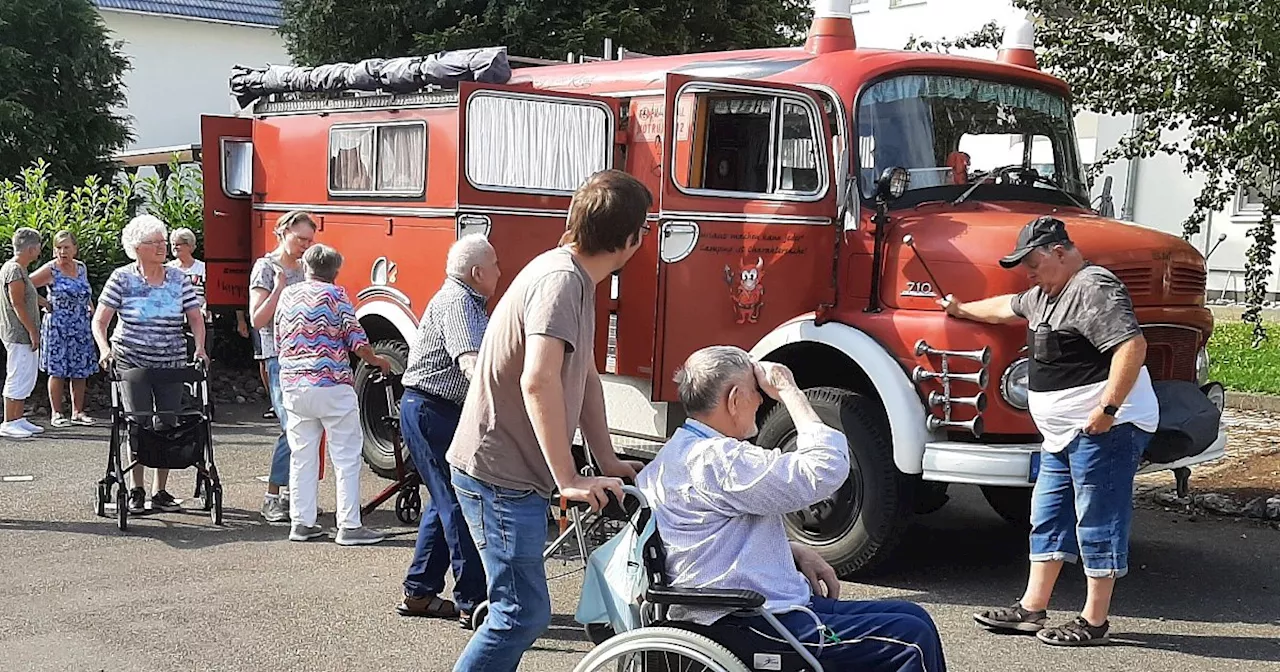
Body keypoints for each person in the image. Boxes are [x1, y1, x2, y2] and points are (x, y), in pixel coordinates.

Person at [446, 170, 651, 672]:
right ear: (630, 240)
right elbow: (537, 380)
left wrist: (605, 459)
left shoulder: (572, 274)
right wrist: (569, 478)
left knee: (519, 611)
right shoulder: (562, 282)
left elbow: (584, 375)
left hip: (507, 470)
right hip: (499, 473)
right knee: (522, 613)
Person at [635, 346, 948, 671]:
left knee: (914, 616)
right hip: (749, 623)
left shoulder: (676, 453)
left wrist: (791, 550)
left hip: (742, 611)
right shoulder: (720, 460)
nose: (761, 400)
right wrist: (789, 390)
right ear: (734, 399)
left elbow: (702, 536)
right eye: (756, 392)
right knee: (909, 639)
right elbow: (825, 468)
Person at [941, 215, 1157, 647]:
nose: (1028, 272)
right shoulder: (1044, 293)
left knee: (1098, 519)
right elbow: (1006, 307)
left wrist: (1107, 410)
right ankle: (1031, 609)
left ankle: (1093, 622)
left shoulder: (1093, 286)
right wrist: (960, 309)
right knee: (1048, 514)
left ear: (1059, 252)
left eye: (1033, 263)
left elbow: (1132, 346)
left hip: (1104, 429)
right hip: (1062, 435)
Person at [396, 234, 498, 626]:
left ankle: (420, 591)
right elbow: (469, 362)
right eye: (496, 265)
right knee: (458, 501)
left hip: (432, 408)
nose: (500, 271)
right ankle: (473, 600)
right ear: (477, 272)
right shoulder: (458, 301)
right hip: (431, 409)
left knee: (444, 501)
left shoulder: (468, 300)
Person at [274, 244, 391, 545]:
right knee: (346, 456)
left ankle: (301, 522)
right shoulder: (336, 295)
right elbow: (356, 339)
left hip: (294, 384)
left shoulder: (287, 294)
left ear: (305, 267)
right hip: (331, 383)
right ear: (335, 272)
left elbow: (278, 338)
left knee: (302, 456)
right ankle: (350, 526)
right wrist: (377, 360)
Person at [93, 215, 207, 514]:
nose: (161, 247)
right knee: (138, 422)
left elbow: (195, 316)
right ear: (136, 247)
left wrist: (201, 347)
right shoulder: (122, 277)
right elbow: (100, 320)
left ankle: (161, 490)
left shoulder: (179, 278)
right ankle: (136, 489)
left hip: (170, 359)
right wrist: (105, 349)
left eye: (162, 241)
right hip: (132, 359)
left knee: (167, 421)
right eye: (154, 242)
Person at [249, 211, 315, 523]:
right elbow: (257, 318)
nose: (305, 245)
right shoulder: (266, 267)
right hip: (278, 355)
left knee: (303, 425)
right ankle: (272, 496)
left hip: (308, 355)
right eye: (300, 238)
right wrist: (279, 288)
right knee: (291, 426)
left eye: (309, 241)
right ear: (284, 232)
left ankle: (292, 493)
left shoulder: (307, 268)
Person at [30, 231, 97, 427]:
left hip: (80, 325)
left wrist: (90, 306)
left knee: (80, 370)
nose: (62, 251)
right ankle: (57, 413)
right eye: (59, 247)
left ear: (75, 249)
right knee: (57, 370)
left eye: (66, 247)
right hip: (58, 326)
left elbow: (85, 291)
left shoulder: (81, 268)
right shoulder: (51, 269)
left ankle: (78, 412)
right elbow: (25, 285)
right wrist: (44, 302)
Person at [0, 228, 46, 438]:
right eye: (38, 248)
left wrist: (45, 303)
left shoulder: (19, 269)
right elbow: (17, 303)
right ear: (31, 248)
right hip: (19, 334)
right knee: (18, 375)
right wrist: (32, 331)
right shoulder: (15, 270)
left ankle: (18, 418)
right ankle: (9, 421)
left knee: (26, 375)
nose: (39, 252)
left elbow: (27, 296)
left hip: (22, 334)